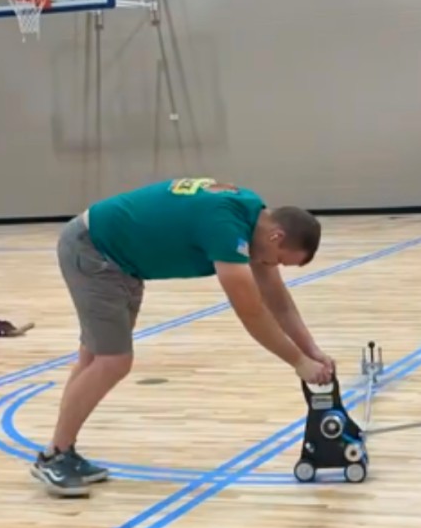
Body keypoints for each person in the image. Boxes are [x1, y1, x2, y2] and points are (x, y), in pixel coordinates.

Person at [31, 177, 334, 497]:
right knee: (112, 361)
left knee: (94, 358)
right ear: (277, 236)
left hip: (117, 257)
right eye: (278, 260)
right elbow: (252, 313)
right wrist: (298, 362)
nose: (273, 267)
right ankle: (54, 456)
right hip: (96, 251)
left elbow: (277, 299)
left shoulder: (251, 217)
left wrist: (310, 350)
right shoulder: (226, 226)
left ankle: (62, 451)